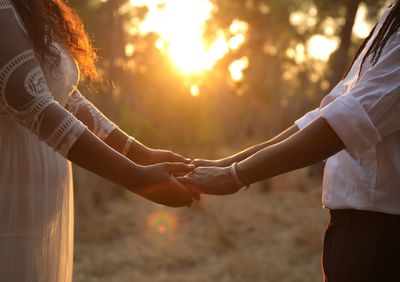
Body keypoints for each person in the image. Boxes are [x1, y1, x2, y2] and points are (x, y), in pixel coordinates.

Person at [180, 2, 400, 282]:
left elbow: (344, 122)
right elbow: (326, 115)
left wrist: (235, 175)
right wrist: (229, 162)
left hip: (382, 240)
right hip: (356, 231)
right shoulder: (391, 17)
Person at [0, 0, 198, 281]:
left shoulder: (33, 7)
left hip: (35, 211)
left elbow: (66, 96)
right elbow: (36, 104)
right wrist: (137, 178)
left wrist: (141, 154)